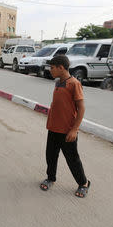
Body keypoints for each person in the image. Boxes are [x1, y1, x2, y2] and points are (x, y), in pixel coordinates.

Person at [40, 55, 90, 198]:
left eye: (52, 67)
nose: (50, 70)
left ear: (61, 68)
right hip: (54, 128)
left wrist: (74, 129)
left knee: (72, 158)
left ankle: (83, 183)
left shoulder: (74, 83)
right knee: (51, 155)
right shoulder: (58, 82)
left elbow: (81, 108)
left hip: (67, 130)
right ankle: (51, 178)